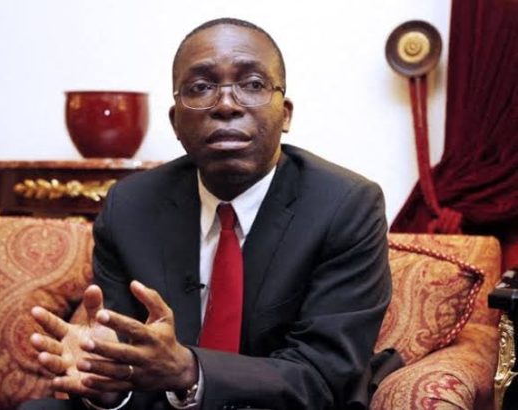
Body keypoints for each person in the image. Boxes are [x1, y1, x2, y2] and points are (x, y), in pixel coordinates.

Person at [25, 17, 392, 410]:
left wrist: (192, 370)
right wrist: (106, 381)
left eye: (253, 84)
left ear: (285, 115)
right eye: (201, 88)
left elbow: (324, 375)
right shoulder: (130, 207)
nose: (226, 105)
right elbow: (127, 360)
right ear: (175, 122)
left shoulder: (345, 205)